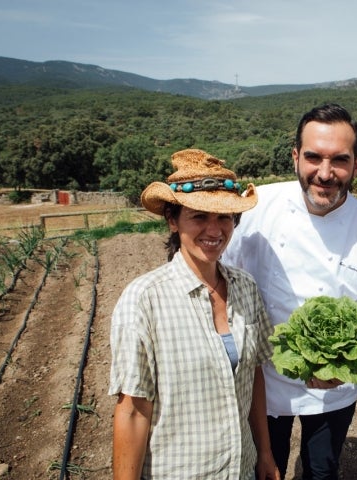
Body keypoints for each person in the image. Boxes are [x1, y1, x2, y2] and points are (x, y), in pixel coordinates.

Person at [223, 103, 357, 479]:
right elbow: (220, 277)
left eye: (339, 160)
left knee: (321, 469)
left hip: (330, 391)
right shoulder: (256, 210)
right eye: (313, 157)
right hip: (260, 381)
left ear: (356, 164)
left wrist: (340, 371)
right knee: (260, 467)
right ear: (295, 157)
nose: (325, 173)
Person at [109, 149, 280, 480]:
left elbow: (253, 376)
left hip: (241, 468)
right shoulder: (144, 300)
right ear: (173, 221)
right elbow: (132, 410)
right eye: (199, 216)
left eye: (224, 217)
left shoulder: (245, 287)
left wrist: (265, 453)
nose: (214, 230)